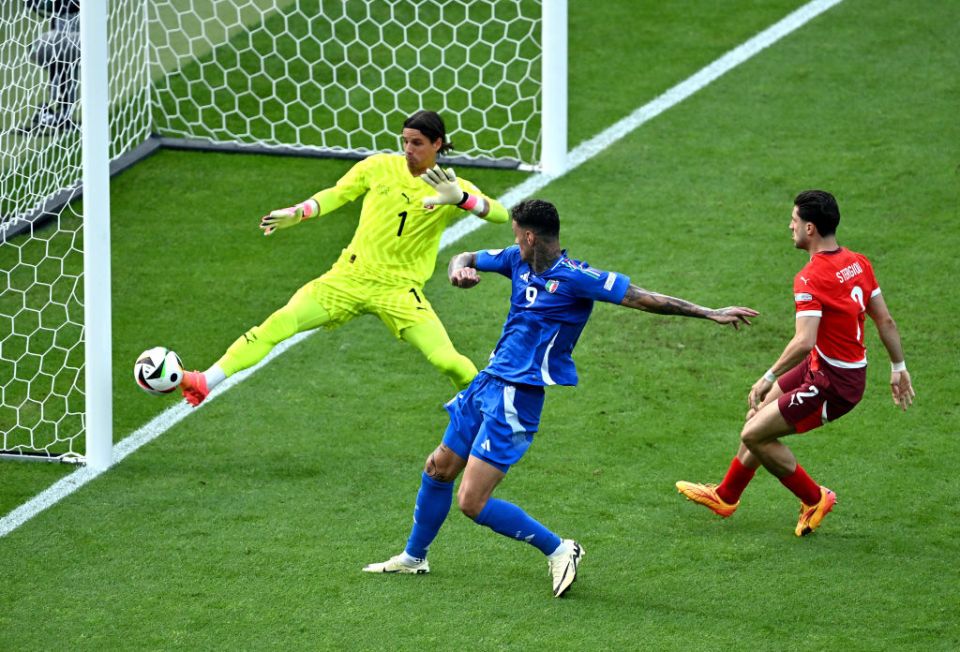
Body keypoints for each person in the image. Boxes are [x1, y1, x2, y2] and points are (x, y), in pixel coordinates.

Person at [363, 199, 758, 597]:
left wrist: (708, 312)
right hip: (486, 384)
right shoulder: (516, 262)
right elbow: (464, 255)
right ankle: (415, 557)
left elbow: (642, 297)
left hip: (517, 397)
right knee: (438, 468)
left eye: (517, 236)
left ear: (530, 235)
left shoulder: (576, 277)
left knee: (472, 501)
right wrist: (458, 271)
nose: (514, 242)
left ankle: (559, 549)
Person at [177, 110, 509, 406]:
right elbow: (338, 193)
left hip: (399, 290)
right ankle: (207, 380)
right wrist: (300, 211)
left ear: (437, 144)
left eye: (417, 143)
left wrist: (461, 198)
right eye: (405, 141)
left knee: (447, 361)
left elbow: (499, 214)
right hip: (348, 278)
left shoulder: (450, 186)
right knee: (280, 322)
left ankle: (482, 403)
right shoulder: (378, 167)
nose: (408, 150)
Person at [676, 190, 915, 536]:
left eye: (795, 220)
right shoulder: (858, 262)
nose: (790, 225)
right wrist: (898, 367)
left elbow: (803, 341)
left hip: (833, 383)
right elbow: (886, 321)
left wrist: (768, 375)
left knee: (754, 434)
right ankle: (726, 496)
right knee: (756, 418)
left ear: (810, 229)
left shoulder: (810, 278)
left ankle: (815, 497)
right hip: (828, 367)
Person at [18, 0, 80, 134]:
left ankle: (55, 115)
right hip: (55, 43)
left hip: (66, 41)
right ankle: (57, 114)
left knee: (64, 60)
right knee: (66, 58)